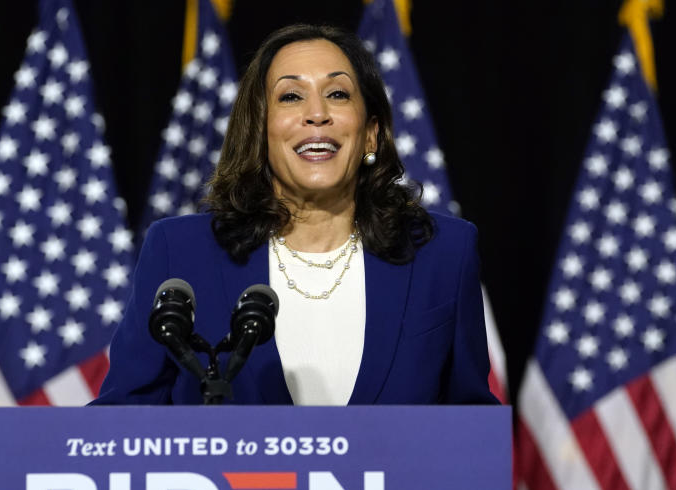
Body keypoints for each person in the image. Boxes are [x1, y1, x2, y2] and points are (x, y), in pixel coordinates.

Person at [94, 24, 498, 406]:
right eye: (290, 96)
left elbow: (471, 431)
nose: (316, 113)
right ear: (259, 130)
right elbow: (124, 415)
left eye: (338, 94)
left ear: (370, 133)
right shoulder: (181, 251)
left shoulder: (442, 254)